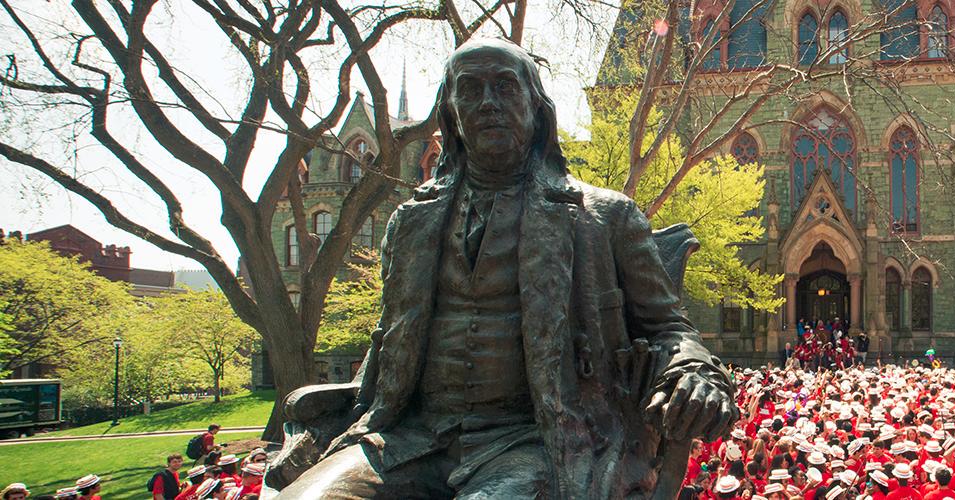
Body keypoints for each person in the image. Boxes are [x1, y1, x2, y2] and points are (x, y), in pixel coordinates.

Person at [271, 37, 736, 499]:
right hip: (409, 440)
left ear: (537, 108)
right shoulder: (411, 221)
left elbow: (669, 327)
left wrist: (696, 372)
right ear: (450, 112)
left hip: (539, 440)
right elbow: (390, 339)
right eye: (470, 89)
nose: (488, 103)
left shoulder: (607, 216)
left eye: (505, 87)